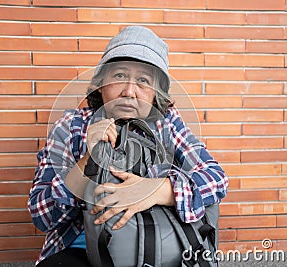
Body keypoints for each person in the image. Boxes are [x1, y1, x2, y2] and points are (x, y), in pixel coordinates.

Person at [28, 26, 229, 267]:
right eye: (120, 76)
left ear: (156, 94)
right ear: (101, 84)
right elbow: (42, 217)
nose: (129, 92)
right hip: (81, 249)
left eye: (143, 81)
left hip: (160, 247)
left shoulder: (167, 126)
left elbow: (216, 179)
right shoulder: (71, 126)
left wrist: (155, 190)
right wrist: (88, 161)